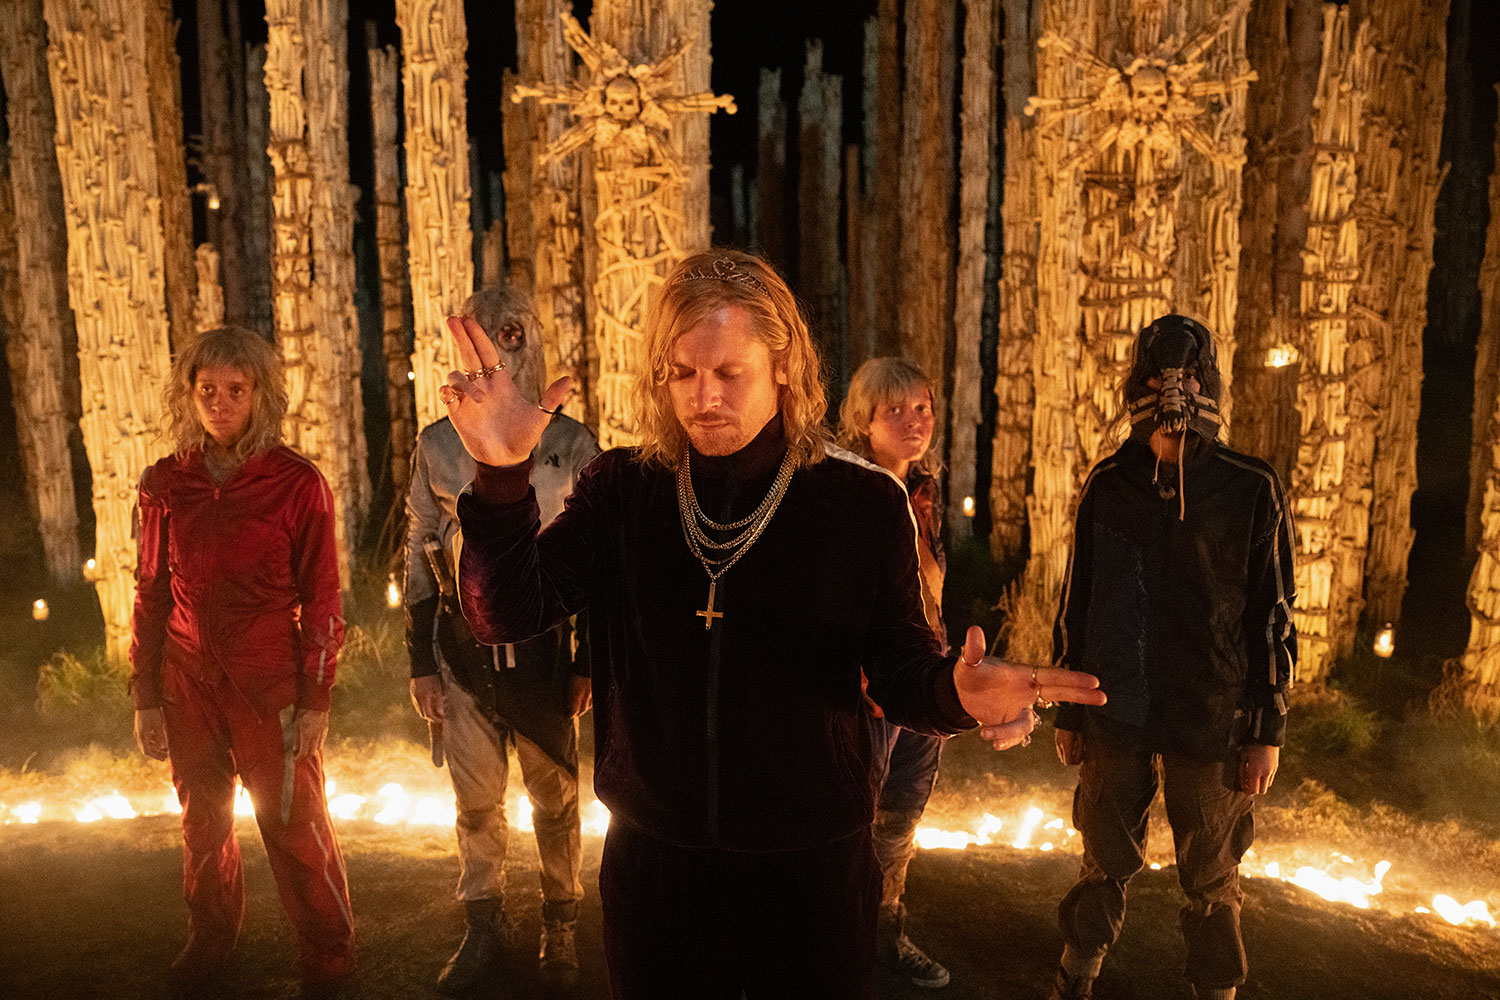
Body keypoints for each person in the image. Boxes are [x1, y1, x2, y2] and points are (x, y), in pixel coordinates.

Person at [439, 248, 1107, 999]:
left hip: (811, 879)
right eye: (682, 373)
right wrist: (500, 477)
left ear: (784, 365)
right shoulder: (623, 490)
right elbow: (502, 613)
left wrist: (957, 693)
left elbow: (900, 671)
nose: (703, 397)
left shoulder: (859, 503)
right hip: (656, 877)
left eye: (730, 372)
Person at [1045, 315, 1296, 1000]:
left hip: (1212, 708)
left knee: (1212, 869)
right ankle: (1077, 975)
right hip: (1114, 703)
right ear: (1140, 384)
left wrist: (1266, 729)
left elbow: (1272, 613)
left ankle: (1215, 989)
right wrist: (1071, 708)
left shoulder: (1249, 487)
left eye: (1187, 377)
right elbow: (1079, 599)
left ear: (1207, 384)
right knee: (1103, 853)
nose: (1174, 392)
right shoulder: (1110, 484)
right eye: (1160, 378)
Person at [130, 326, 354, 998]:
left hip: (268, 683)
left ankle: (328, 954)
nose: (220, 403)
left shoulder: (297, 484)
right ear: (189, 394)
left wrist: (315, 700)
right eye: (208, 390)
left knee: (294, 824)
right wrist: (146, 694)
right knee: (203, 825)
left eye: (235, 389)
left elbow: (323, 598)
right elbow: (150, 591)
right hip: (186, 683)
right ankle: (209, 940)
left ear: (261, 394)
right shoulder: (166, 483)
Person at [405, 286, 599, 994]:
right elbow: (420, 547)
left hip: (544, 653)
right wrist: (421, 662)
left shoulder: (572, 445)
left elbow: (598, 560)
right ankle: (484, 920)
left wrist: (587, 661)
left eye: (511, 335)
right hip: (463, 651)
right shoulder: (437, 445)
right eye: (482, 337)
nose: (498, 352)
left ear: (531, 340)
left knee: (556, 797)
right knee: (477, 800)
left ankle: (560, 920)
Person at [835, 357, 951, 989]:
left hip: (923, 683)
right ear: (863, 420)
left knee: (902, 814)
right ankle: (838, 942)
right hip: (868, 690)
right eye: (896, 410)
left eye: (923, 408)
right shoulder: (846, 495)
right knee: (854, 814)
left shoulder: (923, 496)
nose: (914, 421)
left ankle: (885, 932)